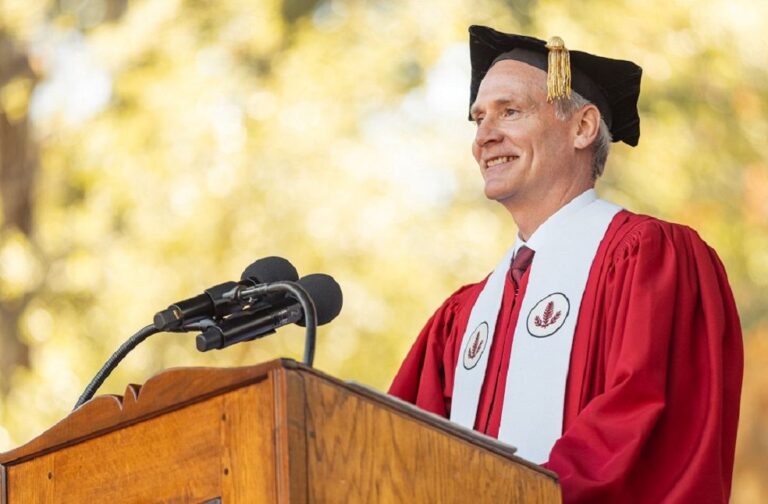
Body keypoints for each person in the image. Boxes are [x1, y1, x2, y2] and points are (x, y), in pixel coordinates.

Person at [389, 25, 743, 503]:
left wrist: (513, 494)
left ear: (582, 127)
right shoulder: (463, 316)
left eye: (510, 112)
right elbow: (398, 453)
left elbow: (643, 424)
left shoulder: (652, 259)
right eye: (477, 120)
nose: (485, 138)